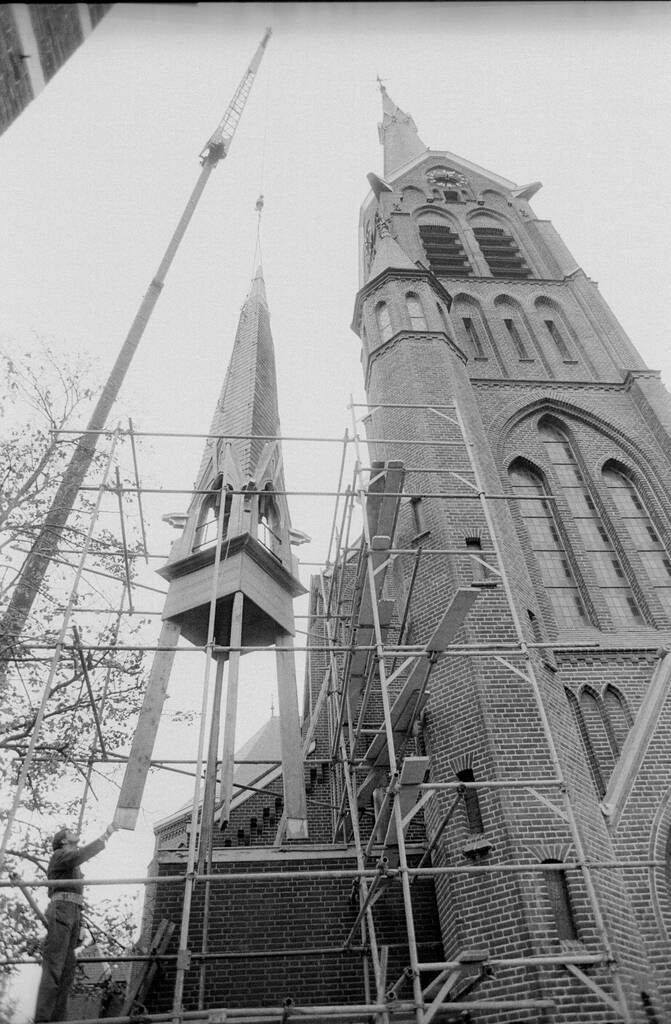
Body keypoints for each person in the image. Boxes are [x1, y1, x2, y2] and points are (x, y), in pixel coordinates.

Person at [34, 823, 117, 1023]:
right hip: (62, 908)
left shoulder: (71, 861)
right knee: (54, 964)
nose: (74, 832)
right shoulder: (60, 855)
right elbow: (79, 855)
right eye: (70, 832)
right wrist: (105, 835)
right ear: (63, 840)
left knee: (67, 970)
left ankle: (57, 1018)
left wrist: (79, 924)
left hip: (73, 911)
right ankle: (43, 1018)